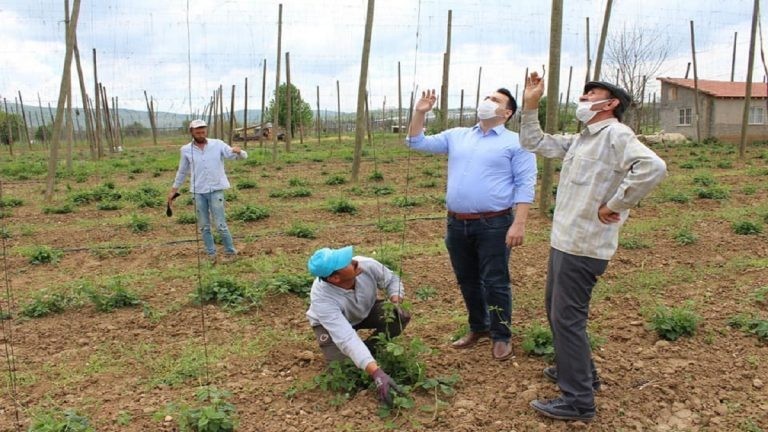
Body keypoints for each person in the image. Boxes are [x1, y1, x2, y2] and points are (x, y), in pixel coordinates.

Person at [520, 73, 667, 421]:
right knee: (557, 312)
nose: (584, 97)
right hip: (565, 240)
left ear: (611, 103)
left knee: (567, 318)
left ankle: (579, 401)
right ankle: (580, 372)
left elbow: (653, 167)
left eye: (592, 93)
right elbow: (534, 142)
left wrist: (615, 204)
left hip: (585, 245)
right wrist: (530, 105)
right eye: (584, 92)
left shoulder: (616, 134)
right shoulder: (584, 139)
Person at [406, 88, 537, 361]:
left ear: (507, 112)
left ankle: (502, 335)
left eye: (496, 101)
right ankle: (479, 326)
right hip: (457, 223)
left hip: (495, 223)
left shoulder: (517, 143)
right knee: (467, 279)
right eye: (488, 97)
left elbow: (525, 185)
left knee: (495, 281)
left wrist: (519, 223)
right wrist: (420, 112)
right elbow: (415, 142)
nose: (488, 102)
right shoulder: (458, 135)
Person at [306, 246, 411, 406]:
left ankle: (368, 353)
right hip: (330, 326)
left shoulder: (366, 264)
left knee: (398, 316)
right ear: (335, 279)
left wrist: (395, 301)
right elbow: (346, 337)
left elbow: (392, 280)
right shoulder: (322, 298)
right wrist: (377, 373)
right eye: (346, 263)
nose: (354, 261)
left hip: (365, 311)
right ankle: (366, 361)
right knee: (345, 371)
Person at [167, 119, 247, 263]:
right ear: (191, 132)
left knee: (221, 224)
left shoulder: (218, 144)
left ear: (206, 131)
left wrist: (239, 151)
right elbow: (182, 171)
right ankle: (211, 254)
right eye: (197, 131)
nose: (200, 133)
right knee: (204, 226)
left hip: (216, 189)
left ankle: (230, 252)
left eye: (203, 131)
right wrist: (174, 190)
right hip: (198, 191)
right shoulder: (185, 150)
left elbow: (235, 155)